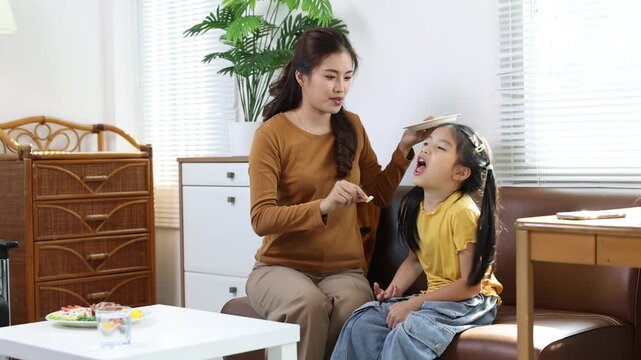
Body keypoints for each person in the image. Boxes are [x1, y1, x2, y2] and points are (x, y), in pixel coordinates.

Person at [246, 27, 429, 360]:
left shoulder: (353, 125)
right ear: (301, 77)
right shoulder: (271, 134)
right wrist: (324, 205)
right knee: (308, 303)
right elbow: (261, 218)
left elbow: (378, 195)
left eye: (347, 77)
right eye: (330, 76)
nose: (340, 87)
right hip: (280, 268)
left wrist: (405, 148)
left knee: (355, 307)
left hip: (344, 271)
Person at [331, 123, 503, 360]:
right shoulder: (416, 207)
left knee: (409, 330)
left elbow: (471, 285)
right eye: (426, 144)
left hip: (471, 302)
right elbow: (414, 261)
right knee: (364, 321)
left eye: (440, 147)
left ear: (461, 173)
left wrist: (414, 304)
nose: (426, 150)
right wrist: (394, 291)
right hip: (437, 299)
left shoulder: (462, 212)